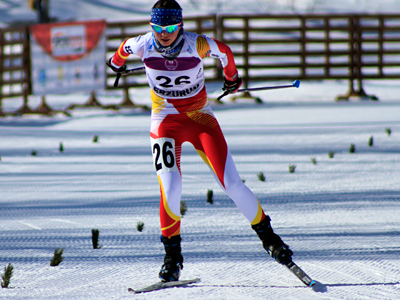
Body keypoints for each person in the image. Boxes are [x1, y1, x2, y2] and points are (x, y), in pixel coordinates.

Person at [107, 0, 293, 282]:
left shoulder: (198, 44)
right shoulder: (142, 44)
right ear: (152, 26)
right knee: (170, 187)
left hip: (200, 119)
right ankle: (172, 258)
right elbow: (120, 52)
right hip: (165, 122)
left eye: (170, 27)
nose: (164, 33)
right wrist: (116, 64)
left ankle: (271, 240)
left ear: (180, 24)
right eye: (158, 27)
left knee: (231, 183)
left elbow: (226, 53)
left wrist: (232, 78)